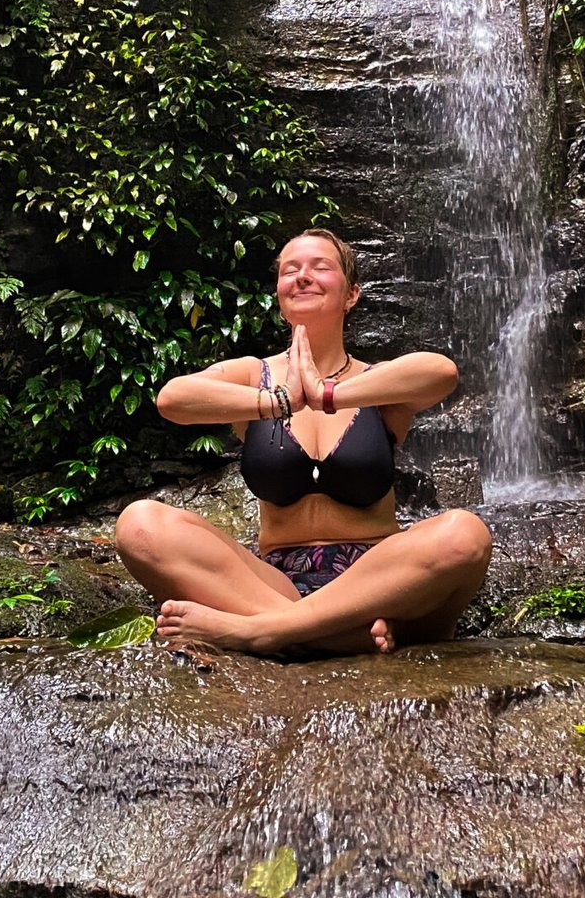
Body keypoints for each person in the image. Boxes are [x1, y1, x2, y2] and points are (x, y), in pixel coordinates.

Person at [113, 229, 491, 656]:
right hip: (271, 582)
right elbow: (173, 398)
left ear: (352, 294)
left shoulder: (378, 383)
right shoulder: (256, 378)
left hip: (377, 580)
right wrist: (277, 401)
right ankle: (338, 635)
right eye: (290, 270)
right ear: (279, 294)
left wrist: (329, 395)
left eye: (320, 267)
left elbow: (441, 372)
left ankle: (264, 633)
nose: (303, 277)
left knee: (465, 533)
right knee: (139, 523)